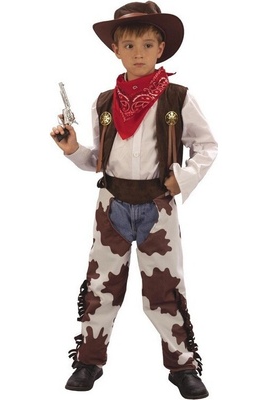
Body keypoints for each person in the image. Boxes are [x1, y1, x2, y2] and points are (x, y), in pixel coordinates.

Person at [50, 2, 218, 398]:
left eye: (146, 45)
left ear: (161, 49)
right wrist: (73, 150)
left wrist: (182, 178)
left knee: (165, 289)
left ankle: (182, 366)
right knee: (101, 286)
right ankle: (89, 361)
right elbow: (98, 160)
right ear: (115, 50)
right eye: (129, 46)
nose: (138, 53)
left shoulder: (177, 98)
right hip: (111, 206)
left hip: (158, 206)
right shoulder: (104, 103)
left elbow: (207, 146)